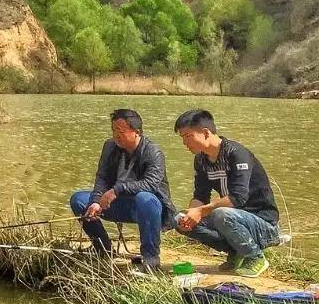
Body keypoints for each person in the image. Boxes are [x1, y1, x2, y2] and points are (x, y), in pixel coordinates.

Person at [172, 109, 280, 278]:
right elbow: (200, 195)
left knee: (221, 214)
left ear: (206, 133)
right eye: (182, 138)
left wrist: (202, 211)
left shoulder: (237, 154)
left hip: (262, 222)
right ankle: (236, 252)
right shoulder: (201, 159)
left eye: (187, 136)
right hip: (233, 218)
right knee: (178, 219)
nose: (185, 143)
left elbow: (238, 197)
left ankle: (255, 257)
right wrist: (192, 213)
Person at [69, 108, 176, 272]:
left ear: (136, 132)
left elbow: (151, 184)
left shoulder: (153, 152)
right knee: (79, 199)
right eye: (113, 130)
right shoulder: (109, 146)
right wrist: (96, 201)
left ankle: (151, 257)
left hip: (150, 209)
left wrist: (116, 190)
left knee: (145, 198)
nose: (115, 135)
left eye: (121, 131)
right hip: (119, 205)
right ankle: (103, 248)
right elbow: (102, 178)